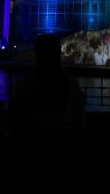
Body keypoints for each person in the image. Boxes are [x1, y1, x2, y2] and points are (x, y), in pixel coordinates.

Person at [6, 34, 86, 189]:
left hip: (30, 157)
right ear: (58, 54)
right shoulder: (71, 85)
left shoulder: (25, 84)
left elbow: (13, 121)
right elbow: (80, 123)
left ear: (37, 54)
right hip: (61, 156)